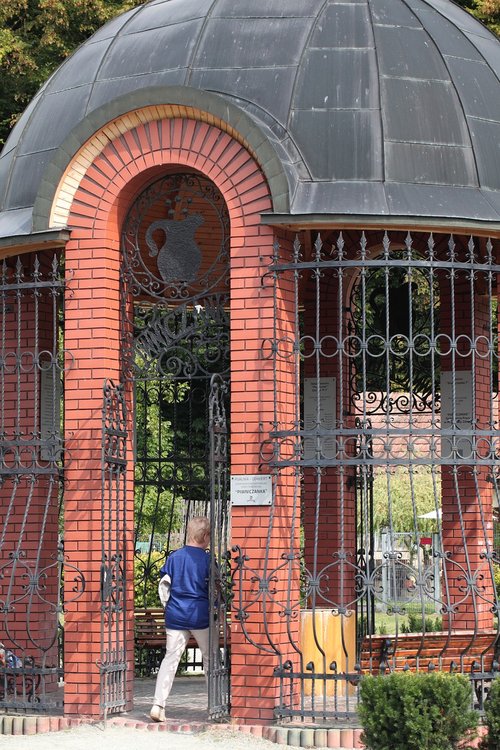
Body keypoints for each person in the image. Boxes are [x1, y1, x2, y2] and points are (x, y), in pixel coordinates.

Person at [150, 515, 211, 722]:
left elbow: (164, 586)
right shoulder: (207, 559)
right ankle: (214, 705)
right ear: (205, 536)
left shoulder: (174, 558)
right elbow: (215, 589)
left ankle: (158, 704)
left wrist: (168, 607)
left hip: (176, 615)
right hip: (200, 615)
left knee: (170, 659)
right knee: (210, 658)